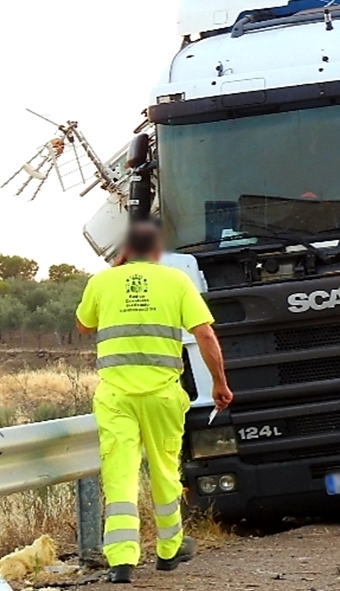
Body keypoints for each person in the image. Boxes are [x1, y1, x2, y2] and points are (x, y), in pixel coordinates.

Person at [75, 223, 234, 584]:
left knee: (120, 476)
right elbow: (204, 333)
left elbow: (84, 325)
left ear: (124, 250)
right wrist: (220, 384)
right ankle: (168, 550)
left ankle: (122, 561)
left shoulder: (101, 281)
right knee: (164, 470)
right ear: (158, 252)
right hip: (162, 395)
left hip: (116, 398)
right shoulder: (176, 281)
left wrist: (116, 271)